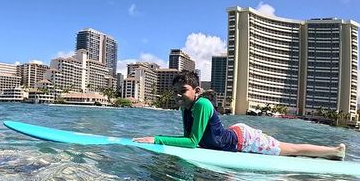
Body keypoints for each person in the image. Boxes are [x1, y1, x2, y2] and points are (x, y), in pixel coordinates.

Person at [133, 70, 346, 160]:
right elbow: (191, 138)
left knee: (290, 149)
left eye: (183, 91)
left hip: (244, 141)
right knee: (289, 149)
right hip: (231, 135)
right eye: (176, 92)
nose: (178, 95)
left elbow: (191, 142)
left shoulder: (203, 104)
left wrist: (157, 139)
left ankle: (334, 151)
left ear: (196, 91)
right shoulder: (185, 107)